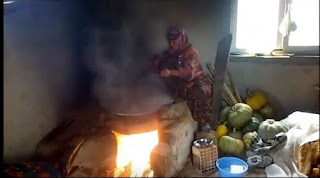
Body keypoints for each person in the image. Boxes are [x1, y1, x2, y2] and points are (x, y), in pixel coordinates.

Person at [151, 26, 213, 131]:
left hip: (197, 82)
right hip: (182, 83)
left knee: (196, 92)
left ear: (182, 39)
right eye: (170, 41)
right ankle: (176, 97)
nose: (172, 44)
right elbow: (161, 58)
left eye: (175, 41)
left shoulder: (191, 52)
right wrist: (156, 63)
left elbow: (189, 74)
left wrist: (170, 72)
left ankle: (204, 123)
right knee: (164, 77)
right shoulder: (173, 51)